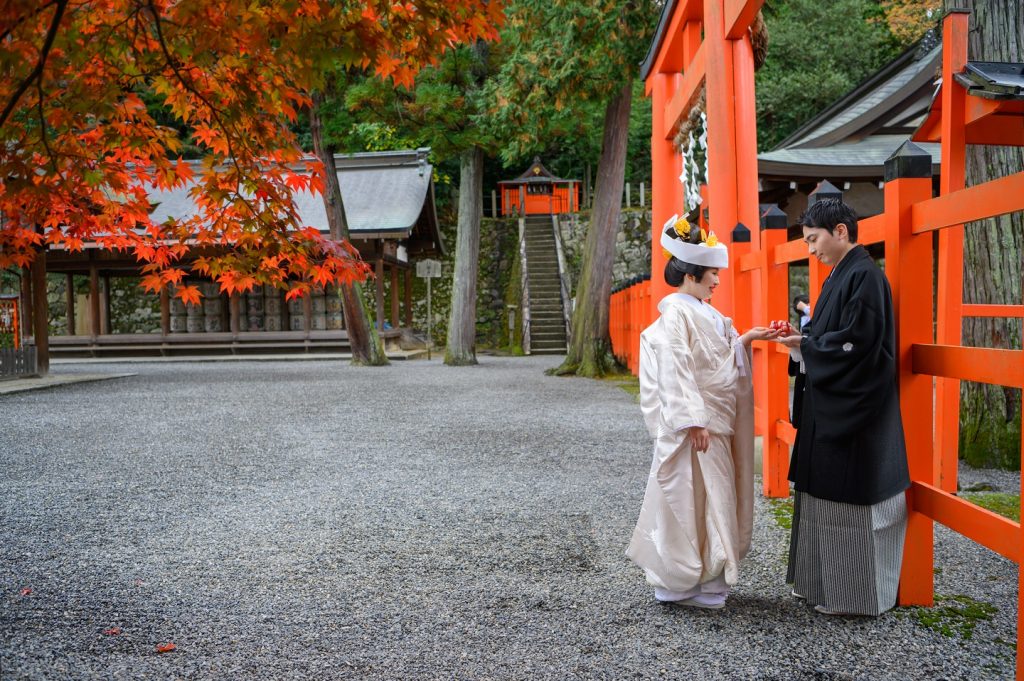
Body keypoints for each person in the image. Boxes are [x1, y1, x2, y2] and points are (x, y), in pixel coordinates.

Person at [627, 215, 778, 609]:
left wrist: (746, 338)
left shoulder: (701, 311)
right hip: (697, 425)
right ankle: (681, 582)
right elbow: (676, 366)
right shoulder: (678, 313)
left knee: (717, 499)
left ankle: (710, 580)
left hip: (715, 424)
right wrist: (692, 419)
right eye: (712, 273)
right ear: (691, 273)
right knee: (692, 500)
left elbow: (714, 362)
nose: (716, 281)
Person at [777, 198, 910, 616]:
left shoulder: (866, 278)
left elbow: (861, 344)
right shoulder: (839, 275)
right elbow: (827, 334)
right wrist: (804, 341)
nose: (810, 249)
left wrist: (809, 346)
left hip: (856, 411)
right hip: (830, 403)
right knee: (822, 495)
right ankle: (822, 585)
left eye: (814, 239)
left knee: (851, 499)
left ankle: (853, 596)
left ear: (841, 231)